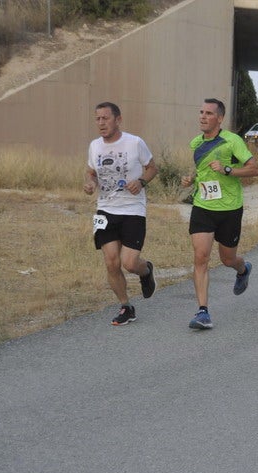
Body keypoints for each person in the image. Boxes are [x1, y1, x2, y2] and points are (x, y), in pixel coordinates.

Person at [180, 98, 258, 330]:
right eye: (201, 112)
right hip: (203, 207)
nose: (203, 117)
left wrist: (227, 169)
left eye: (208, 113)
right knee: (201, 257)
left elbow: (254, 168)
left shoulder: (232, 141)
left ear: (220, 118)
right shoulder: (196, 143)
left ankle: (243, 268)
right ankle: (203, 311)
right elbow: (201, 169)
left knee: (227, 259)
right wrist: (190, 178)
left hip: (230, 209)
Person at [84, 101, 158, 325]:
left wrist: (142, 182)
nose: (101, 123)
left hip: (133, 210)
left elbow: (152, 167)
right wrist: (89, 183)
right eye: (97, 119)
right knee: (111, 263)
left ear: (118, 119)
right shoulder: (94, 146)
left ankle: (145, 272)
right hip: (105, 209)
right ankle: (126, 306)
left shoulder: (135, 143)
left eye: (105, 118)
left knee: (129, 263)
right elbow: (90, 172)